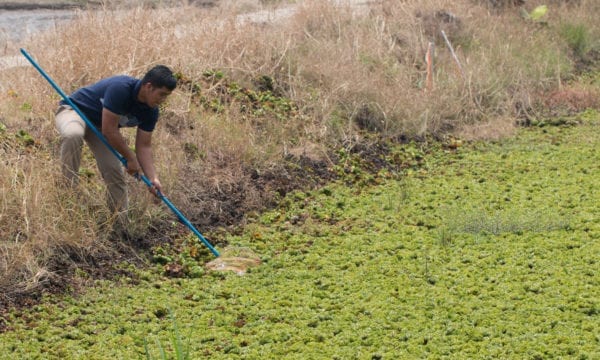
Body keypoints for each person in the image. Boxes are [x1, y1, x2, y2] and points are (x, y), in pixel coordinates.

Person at [55, 65, 177, 232]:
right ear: (149, 86)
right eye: (161, 94)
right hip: (75, 111)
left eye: (166, 96)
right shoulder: (121, 88)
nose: (162, 100)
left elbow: (144, 145)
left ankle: (120, 228)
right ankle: (66, 197)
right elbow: (110, 130)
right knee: (73, 134)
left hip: (99, 127)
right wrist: (130, 157)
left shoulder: (151, 111)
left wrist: (153, 178)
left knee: (114, 172)